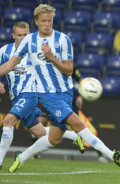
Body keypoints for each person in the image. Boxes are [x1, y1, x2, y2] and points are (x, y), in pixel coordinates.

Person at [0, 4, 120, 173]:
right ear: (36, 21)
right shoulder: (29, 41)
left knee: (53, 139)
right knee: (77, 122)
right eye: (43, 21)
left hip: (66, 92)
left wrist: (51, 56)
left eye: (49, 20)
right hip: (46, 94)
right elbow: (9, 65)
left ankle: (21, 157)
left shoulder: (63, 39)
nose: (46, 24)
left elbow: (69, 70)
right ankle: (110, 154)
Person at [0, 21, 85, 169]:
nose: (22, 38)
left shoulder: (35, 51)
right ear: (13, 35)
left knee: (8, 121)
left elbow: (59, 69)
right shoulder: (4, 51)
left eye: (25, 35)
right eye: (18, 35)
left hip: (30, 94)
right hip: (16, 97)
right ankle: (73, 136)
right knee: (39, 132)